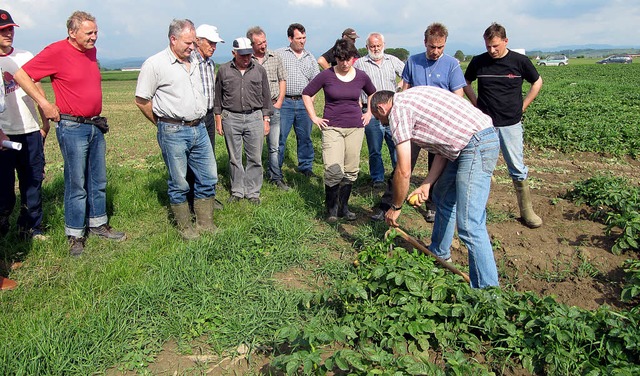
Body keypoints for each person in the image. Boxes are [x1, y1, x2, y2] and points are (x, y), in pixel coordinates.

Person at [15, 11, 126, 256]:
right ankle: (75, 234)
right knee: (77, 183)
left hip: (95, 126)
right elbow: (22, 75)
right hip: (72, 127)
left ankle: (98, 224)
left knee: (98, 180)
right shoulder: (56, 51)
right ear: (72, 33)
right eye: (89, 33)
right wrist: (44, 104)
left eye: (96, 32)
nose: (94, 37)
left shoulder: (91, 52)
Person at [371, 87, 500, 289]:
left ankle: (489, 291)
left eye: (378, 119)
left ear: (381, 108)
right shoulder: (412, 97)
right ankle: (439, 253)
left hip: (476, 144)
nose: (381, 123)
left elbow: (404, 170)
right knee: (442, 196)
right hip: (470, 141)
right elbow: (443, 146)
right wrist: (426, 185)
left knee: (469, 223)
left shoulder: (397, 111)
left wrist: (395, 207)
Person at [371, 23, 466, 222]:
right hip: (413, 123)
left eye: (440, 47)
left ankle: (432, 204)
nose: (436, 51)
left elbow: (458, 96)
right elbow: (404, 91)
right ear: (425, 43)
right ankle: (387, 202)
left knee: (437, 164)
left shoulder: (452, 64)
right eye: (432, 47)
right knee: (403, 165)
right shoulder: (413, 62)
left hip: (439, 126)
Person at [135, 19, 218, 240]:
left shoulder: (196, 62)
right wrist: (161, 123)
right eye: (188, 43)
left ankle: (205, 224)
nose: (192, 47)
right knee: (179, 182)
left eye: (194, 43)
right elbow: (142, 100)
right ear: (173, 39)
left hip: (199, 128)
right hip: (173, 130)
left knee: (208, 177)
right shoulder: (155, 64)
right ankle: (185, 229)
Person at [463, 22, 543, 228]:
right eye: (488, 46)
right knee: (481, 168)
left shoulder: (520, 61)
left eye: (496, 46)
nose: (492, 50)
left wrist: (524, 105)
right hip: (485, 124)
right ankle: (477, 212)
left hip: (510, 124)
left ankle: (527, 212)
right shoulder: (479, 62)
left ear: (506, 41)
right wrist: (476, 104)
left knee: (516, 167)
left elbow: (537, 82)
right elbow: (466, 82)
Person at [302, 39, 376, 222]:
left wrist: (369, 112)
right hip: (332, 127)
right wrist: (314, 117)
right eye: (340, 59)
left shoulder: (361, 76)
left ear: (354, 58)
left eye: (348, 59)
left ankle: (344, 207)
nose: (344, 63)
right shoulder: (326, 75)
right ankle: (331, 210)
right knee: (333, 169)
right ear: (335, 58)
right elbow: (307, 93)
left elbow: (373, 93)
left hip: (355, 128)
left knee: (351, 170)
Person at [0, 9, 49, 241]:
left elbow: (38, 89)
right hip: (3, 135)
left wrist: (44, 123)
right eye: (3, 30)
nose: (8, 33)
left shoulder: (25, 56)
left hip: (29, 130)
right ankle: (3, 229)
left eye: (10, 28)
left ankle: (31, 228)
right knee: (4, 188)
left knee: (32, 181)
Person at [214, 37, 272, 204]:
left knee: (255, 157)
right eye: (242, 55)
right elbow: (218, 97)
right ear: (234, 53)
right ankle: (237, 191)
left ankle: (253, 192)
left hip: (255, 117)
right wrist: (218, 119)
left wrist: (266, 119)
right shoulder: (224, 70)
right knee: (234, 157)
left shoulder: (259, 70)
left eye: (249, 55)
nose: (246, 59)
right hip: (231, 117)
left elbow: (266, 96)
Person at [353, 32, 404, 188]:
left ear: (383, 45)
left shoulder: (392, 60)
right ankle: (377, 178)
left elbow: (408, 75)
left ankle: (398, 175)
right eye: (372, 46)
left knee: (395, 145)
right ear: (367, 47)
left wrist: (400, 86)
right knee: (374, 148)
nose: (375, 49)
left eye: (378, 46)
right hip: (370, 111)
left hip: (391, 111)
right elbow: (353, 85)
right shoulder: (360, 64)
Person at [185, 24, 225, 210]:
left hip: (208, 116)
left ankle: (207, 197)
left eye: (215, 44)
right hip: (194, 118)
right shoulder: (188, 60)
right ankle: (191, 199)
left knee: (208, 158)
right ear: (198, 41)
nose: (214, 47)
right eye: (210, 42)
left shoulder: (209, 63)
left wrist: (216, 115)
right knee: (192, 160)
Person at [246, 26, 290, 191]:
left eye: (265, 42)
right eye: (259, 44)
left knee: (274, 145)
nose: (263, 46)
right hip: (254, 109)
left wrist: (279, 101)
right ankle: (253, 180)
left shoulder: (275, 57)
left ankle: (276, 177)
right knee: (254, 146)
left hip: (273, 105)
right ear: (252, 45)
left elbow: (282, 80)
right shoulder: (247, 59)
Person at [276, 23, 320, 178]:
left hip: (303, 103)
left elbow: (316, 81)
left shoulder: (310, 57)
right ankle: (276, 169)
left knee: (305, 137)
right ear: (290, 38)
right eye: (299, 38)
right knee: (280, 138)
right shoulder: (280, 54)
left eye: (304, 38)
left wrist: (311, 102)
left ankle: (306, 167)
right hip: (285, 102)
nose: (302, 41)